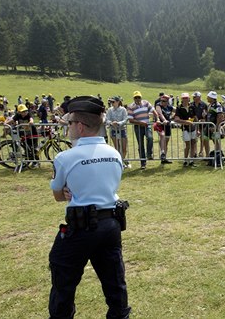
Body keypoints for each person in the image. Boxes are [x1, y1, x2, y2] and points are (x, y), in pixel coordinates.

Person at [48, 96, 131, 318]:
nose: (68, 128)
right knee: (115, 283)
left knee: (64, 283)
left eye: (70, 123)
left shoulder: (65, 157)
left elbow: (58, 195)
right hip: (111, 224)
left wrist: (68, 188)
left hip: (81, 227)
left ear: (81, 126)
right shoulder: (114, 153)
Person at [127, 91, 157, 169]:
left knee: (150, 138)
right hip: (138, 127)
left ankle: (149, 154)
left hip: (147, 125)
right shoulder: (130, 106)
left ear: (141, 97)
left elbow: (153, 110)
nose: (137, 99)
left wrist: (156, 117)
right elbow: (130, 120)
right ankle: (143, 163)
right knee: (141, 145)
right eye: (136, 97)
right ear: (133, 98)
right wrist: (140, 123)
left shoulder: (146, 103)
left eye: (139, 97)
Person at [173, 93, 197, 167]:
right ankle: (185, 160)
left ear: (189, 98)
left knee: (193, 144)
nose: (185, 99)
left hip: (193, 128)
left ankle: (192, 161)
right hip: (185, 129)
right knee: (188, 145)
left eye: (186, 98)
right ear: (181, 99)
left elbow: (195, 117)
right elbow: (176, 119)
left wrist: (198, 128)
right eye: (184, 98)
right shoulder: (179, 108)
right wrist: (186, 122)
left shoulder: (192, 107)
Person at [106, 96, 130, 168]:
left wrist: (119, 123)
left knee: (124, 148)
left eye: (113, 102)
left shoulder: (123, 110)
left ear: (118, 102)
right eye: (111, 102)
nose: (112, 103)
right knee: (117, 147)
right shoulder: (109, 110)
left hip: (122, 130)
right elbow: (107, 119)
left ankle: (122, 160)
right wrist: (111, 123)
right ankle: (120, 163)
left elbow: (126, 119)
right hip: (113, 130)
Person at [154, 94, 174, 164]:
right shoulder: (158, 105)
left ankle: (164, 158)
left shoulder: (170, 107)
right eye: (161, 100)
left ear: (168, 101)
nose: (162, 102)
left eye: (164, 101)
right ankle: (162, 152)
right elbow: (160, 114)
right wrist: (164, 120)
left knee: (166, 141)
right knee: (162, 135)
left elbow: (178, 111)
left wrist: (172, 118)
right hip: (160, 124)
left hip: (167, 125)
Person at [191, 91, 208, 158]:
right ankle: (194, 152)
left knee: (202, 138)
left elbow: (206, 114)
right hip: (193, 124)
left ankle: (201, 151)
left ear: (199, 97)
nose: (193, 98)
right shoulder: (191, 104)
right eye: (193, 97)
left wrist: (204, 119)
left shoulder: (204, 104)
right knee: (194, 138)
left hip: (202, 124)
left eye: (195, 97)